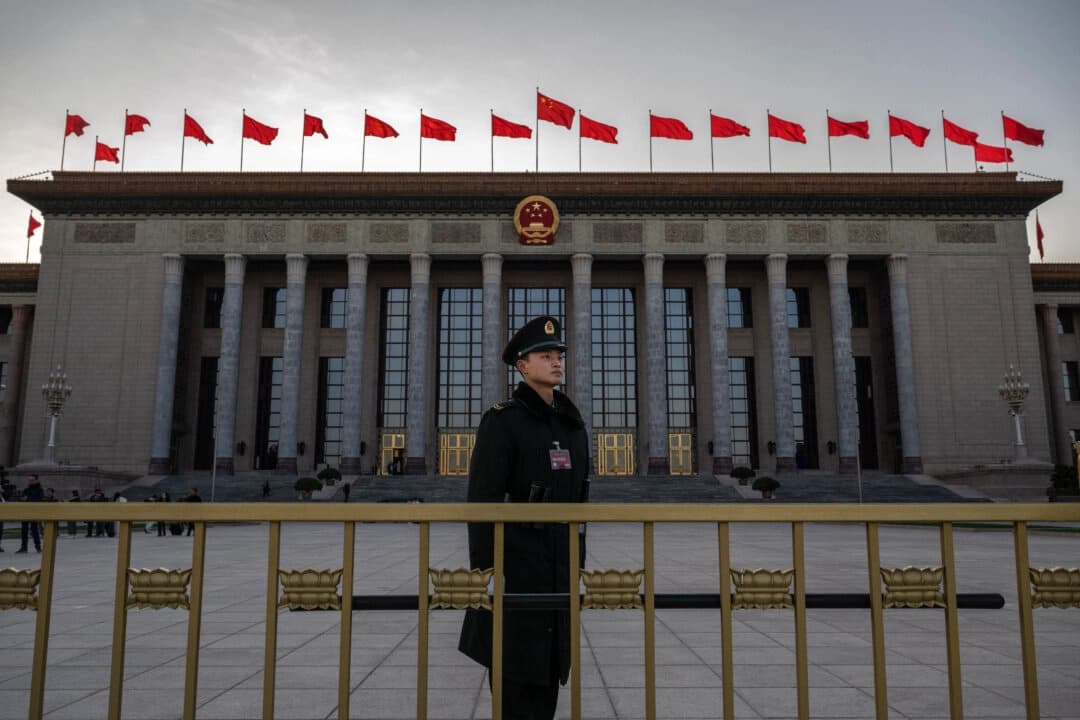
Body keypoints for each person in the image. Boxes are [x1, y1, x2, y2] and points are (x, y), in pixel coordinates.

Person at [458, 316, 590, 720]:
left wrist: (577, 564)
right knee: (516, 683)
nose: (556, 363)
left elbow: (580, 504)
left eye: (558, 356)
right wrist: (485, 574)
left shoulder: (571, 426)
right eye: (545, 356)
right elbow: (482, 503)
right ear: (522, 365)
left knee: (548, 679)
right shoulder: (504, 421)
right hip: (516, 572)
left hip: (557, 574)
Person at [17, 475, 45, 553]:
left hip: (34, 512)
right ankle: (24, 547)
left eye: (32, 480)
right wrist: (22, 499)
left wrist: (27, 499)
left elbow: (39, 500)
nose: (30, 481)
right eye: (29, 480)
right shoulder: (26, 490)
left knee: (34, 530)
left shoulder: (40, 490)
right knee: (24, 530)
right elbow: (21, 499)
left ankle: (38, 547)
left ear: (36, 480)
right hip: (25, 512)